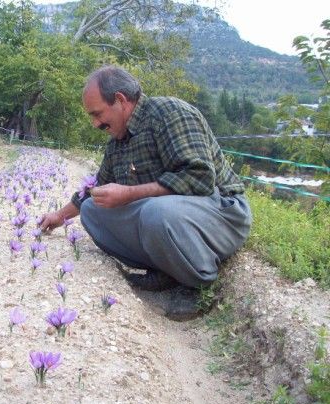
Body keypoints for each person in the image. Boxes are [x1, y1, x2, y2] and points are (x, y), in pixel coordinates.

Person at [39, 65, 252, 321]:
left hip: (222, 213)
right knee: (93, 211)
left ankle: (197, 282)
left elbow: (200, 179)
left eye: (97, 114)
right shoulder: (118, 141)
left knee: (155, 211)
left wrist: (129, 193)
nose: (95, 124)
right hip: (173, 217)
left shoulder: (170, 113)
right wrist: (59, 216)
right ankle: (166, 270)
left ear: (120, 100)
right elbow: (93, 190)